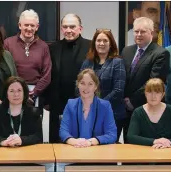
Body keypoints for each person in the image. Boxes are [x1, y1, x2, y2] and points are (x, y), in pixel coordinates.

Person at [121, 17, 170, 143]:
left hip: (147, 108)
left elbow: (154, 81)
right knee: (129, 145)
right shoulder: (126, 51)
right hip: (125, 110)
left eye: (143, 32)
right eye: (136, 31)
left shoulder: (161, 53)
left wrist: (132, 101)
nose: (138, 35)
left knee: (146, 145)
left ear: (151, 33)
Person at [44, 13, 91, 143]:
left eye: (72, 27)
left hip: (83, 103)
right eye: (65, 27)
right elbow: (48, 74)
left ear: (80, 28)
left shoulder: (91, 46)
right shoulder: (53, 48)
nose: (68, 30)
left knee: (82, 141)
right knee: (57, 142)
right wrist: (47, 100)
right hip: (58, 103)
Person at [80, 29, 126, 142]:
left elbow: (118, 90)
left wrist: (98, 105)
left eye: (105, 41)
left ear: (111, 44)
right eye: (98, 40)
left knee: (108, 148)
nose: (101, 43)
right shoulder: (87, 62)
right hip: (88, 113)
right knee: (90, 146)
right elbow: (79, 85)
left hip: (112, 113)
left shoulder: (117, 62)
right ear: (94, 43)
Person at [4, 9, 52, 108]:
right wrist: (19, 91)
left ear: (37, 27)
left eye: (32, 25)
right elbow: (4, 71)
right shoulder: (8, 44)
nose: (29, 28)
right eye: (26, 25)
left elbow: (46, 75)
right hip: (13, 93)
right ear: (19, 25)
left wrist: (34, 93)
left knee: (33, 123)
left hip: (35, 95)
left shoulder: (43, 47)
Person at [59, 69, 117, 147]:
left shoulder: (105, 106)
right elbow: (63, 131)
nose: (86, 88)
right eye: (82, 83)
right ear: (78, 84)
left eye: (90, 84)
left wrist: (91, 141)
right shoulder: (70, 104)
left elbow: (112, 135)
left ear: (95, 86)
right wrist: (75, 142)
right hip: (74, 151)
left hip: (98, 153)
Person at [127, 78, 171, 148]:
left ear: (163, 94)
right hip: (144, 153)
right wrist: (154, 141)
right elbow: (131, 137)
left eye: (157, 92)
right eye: (150, 92)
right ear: (145, 93)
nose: (153, 96)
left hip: (169, 152)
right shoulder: (138, 112)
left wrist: (168, 142)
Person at [0, 76, 43, 147]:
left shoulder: (34, 112)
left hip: (27, 153)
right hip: (2, 152)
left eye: (19, 90)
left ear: (24, 93)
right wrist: (2, 142)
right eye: (11, 91)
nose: (16, 94)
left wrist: (22, 140)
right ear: (6, 94)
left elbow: (38, 137)